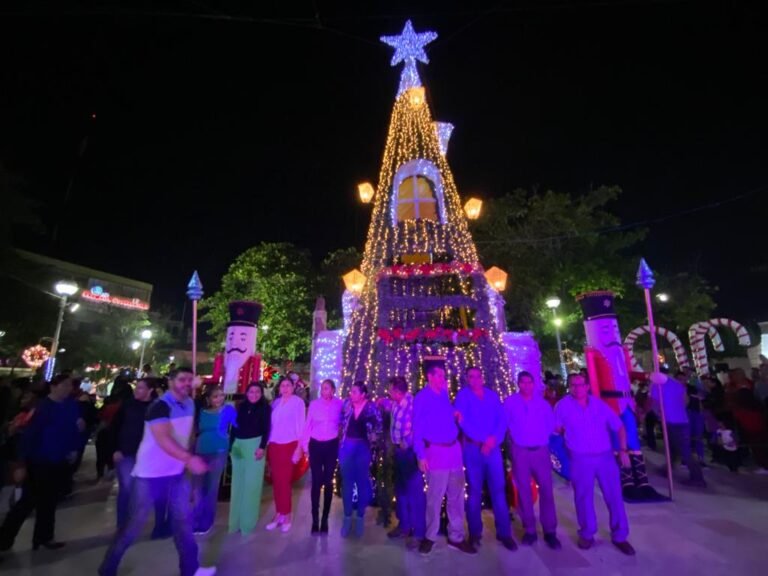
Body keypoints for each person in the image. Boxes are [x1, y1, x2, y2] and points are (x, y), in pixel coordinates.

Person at [98, 367, 215, 576]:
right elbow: (163, 440)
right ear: (170, 382)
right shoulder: (158, 406)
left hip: (176, 473)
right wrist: (190, 459)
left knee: (183, 523)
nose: (186, 384)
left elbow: (185, 435)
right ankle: (107, 568)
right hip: (150, 475)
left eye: (189, 380)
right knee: (133, 525)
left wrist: (188, 457)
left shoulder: (189, 403)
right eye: (181, 380)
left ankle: (191, 569)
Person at [554, 373, 635, 556]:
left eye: (580, 384)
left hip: (605, 457)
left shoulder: (599, 404)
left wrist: (623, 449)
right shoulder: (562, 406)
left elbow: (619, 426)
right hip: (580, 458)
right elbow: (556, 430)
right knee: (583, 497)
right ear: (569, 386)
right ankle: (587, 533)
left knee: (614, 496)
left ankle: (620, 536)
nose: (577, 388)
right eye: (573, 384)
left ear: (587, 386)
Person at [0, 374, 80, 552]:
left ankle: (44, 537)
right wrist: (21, 463)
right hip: (39, 460)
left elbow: (74, 428)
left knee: (50, 501)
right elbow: (29, 436)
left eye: (70, 386)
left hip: (59, 459)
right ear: (53, 387)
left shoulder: (71, 406)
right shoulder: (42, 407)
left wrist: (73, 448)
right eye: (64, 385)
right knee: (27, 502)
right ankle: (4, 541)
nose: (68, 389)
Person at [413, 359, 476, 556]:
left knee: (456, 498)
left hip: (454, 452)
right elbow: (416, 428)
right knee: (434, 498)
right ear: (430, 376)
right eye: (439, 375)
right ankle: (430, 537)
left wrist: (454, 412)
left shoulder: (444, 395)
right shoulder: (422, 398)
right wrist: (420, 455)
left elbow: (446, 412)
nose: (442, 378)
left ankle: (456, 536)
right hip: (436, 453)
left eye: (443, 375)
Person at [454, 367, 516, 551]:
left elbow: (502, 419)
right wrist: (482, 440)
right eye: (471, 376)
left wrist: (493, 439)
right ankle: (475, 533)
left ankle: (504, 533)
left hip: (493, 449)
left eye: (477, 376)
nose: (475, 379)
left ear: (482, 377)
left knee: (498, 490)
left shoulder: (492, 396)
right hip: (474, 449)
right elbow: (462, 422)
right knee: (474, 492)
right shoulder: (462, 397)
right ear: (467, 379)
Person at [504, 371, 560, 549]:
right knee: (524, 492)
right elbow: (504, 425)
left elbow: (551, 425)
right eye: (523, 382)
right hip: (521, 451)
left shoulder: (542, 404)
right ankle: (529, 529)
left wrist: (540, 437)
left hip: (540, 452)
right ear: (518, 384)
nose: (526, 385)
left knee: (547, 491)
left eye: (530, 382)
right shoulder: (510, 403)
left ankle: (550, 530)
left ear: (533, 384)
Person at [110, 378, 168, 533]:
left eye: (141, 388)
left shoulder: (159, 407)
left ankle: (160, 524)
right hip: (127, 452)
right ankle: (123, 524)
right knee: (127, 488)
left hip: (151, 454)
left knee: (157, 489)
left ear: (150, 390)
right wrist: (115, 448)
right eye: (137, 387)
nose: (137, 390)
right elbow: (115, 427)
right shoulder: (128, 405)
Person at [338, 381, 382, 538]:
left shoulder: (371, 408)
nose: (351, 394)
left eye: (355, 391)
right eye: (351, 391)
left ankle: (360, 517)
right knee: (347, 483)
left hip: (363, 447)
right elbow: (340, 422)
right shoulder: (346, 405)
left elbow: (379, 426)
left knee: (362, 482)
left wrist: (373, 437)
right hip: (347, 446)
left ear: (363, 394)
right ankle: (347, 517)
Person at [386, 376, 425, 550]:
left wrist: (407, 441)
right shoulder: (396, 402)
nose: (388, 391)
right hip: (399, 453)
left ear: (398, 391)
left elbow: (418, 427)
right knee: (401, 490)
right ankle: (404, 526)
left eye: (390, 389)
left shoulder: (412, 404)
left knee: (415, 492)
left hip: (409, 454)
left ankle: (418, 533)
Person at [300, 378, 343, 534]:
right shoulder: (314, 405)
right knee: (316, 482)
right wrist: (305, 446)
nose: (324, 391)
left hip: (331, 446)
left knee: (328, 482)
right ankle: (315, 519)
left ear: (333, 390)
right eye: (322, 388)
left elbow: (344, 423)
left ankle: (325, 519)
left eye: (327, 388)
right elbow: (307, 426)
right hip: (316, 445)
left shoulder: (339, 404)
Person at [650, 371, 706, 486]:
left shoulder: (657, 385)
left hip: (670, 420)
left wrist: (659, 415)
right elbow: (685, 401)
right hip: (682, 419)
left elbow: (654, 403)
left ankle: (697, 477)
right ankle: (668, 469)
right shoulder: (677, 385)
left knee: (682, 449)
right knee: (674, 447)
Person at [193, 387, 236, 535]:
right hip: (200, 450)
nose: (219, 399)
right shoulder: (201, 411)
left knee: (211, 488)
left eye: (221, 396)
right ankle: (197, 518)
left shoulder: (228, 410)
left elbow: (238, 426)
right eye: (215, 396)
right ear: (209, 398)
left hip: (219, 450)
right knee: (198, 489)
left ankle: (206, 521)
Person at [229, 382, 271, 534]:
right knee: (237, 484)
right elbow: (234, 427)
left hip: (255, 446)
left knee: (252, 486)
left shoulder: (265, 408)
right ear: (246, 393)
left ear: (261, 393)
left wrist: (262, 447)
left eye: (257, 392)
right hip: (237, 446)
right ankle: (234, 523)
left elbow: (267, 429)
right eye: (251, 391)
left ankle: (247, 524)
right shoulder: (240, 406)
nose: (254, 394)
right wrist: (231, 446)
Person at [266, 376, 305, 532]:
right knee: (276, 481)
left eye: (288, 385)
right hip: (274, 445)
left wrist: (299, 447)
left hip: (289, 445)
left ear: (293, 387)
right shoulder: (275, 403)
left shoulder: (298, 403)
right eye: (283, 385)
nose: (285, 388)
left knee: (285, 482)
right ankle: (278, 514)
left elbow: (300, 425)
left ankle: (287, 514)